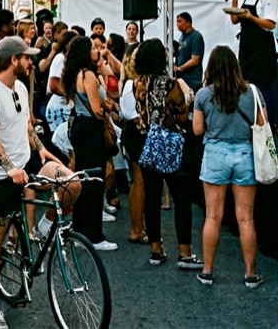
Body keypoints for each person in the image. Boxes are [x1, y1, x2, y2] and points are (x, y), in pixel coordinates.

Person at [0, 37, 75, 329]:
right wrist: (9, 169)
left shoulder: (19, 86)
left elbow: (26, 124)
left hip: (27, 160)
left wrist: (41, 148)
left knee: (71, 183)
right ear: (12, 60)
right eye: (26, 57)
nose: (32, 62)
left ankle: (42, 229)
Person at [193, 46, 262, 287]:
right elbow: (261, 123)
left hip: (215, 153)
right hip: (244, 153)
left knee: (213, 216)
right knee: (246, 218)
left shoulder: (203, 95)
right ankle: (250, 273)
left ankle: (207, 271)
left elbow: (197, 130)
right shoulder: (252, 92)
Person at [132, 39, 202, 269]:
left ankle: (156, 249)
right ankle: (185, 253)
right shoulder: (170, 84)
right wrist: (186, 104)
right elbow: (182, 115)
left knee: (152, 198)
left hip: (148, 143)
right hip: (170, 143)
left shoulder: (139, 84)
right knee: (182, 199)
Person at [61, 36, 119, 252]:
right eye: (94, 49)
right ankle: (94, 235)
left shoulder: (76, 74)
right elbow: (96, 110)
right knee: (95, 181)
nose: (98, 51)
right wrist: (108, 107)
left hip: (79, 127)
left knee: (83, 179)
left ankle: (80, 228)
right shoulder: (89, 76)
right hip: (91, 130)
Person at [230, 0, 278, 100]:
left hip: (262, 51)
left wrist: (250, 17)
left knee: (262, 90)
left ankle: (266, 120)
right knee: (246, 87)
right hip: (246, 48)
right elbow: (234, 20)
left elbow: (270, 24)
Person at [118, 46, 148, 244]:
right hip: (136, 134)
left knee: (139, 182)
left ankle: (139, 227)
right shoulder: (132, 84)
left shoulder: (130, 83)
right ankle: (137, 229)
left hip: (133, 134)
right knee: (139, 181)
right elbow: (132, 115)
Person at [44, 30, 79, 131]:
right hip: (59, 107)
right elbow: (54, 85)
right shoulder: (60, 58)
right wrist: (69, 95)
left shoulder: (68, 60)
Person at [175, 12, 205, 92]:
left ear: (188, 23)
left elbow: (195, 60)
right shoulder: (182, 37)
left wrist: (180, 68)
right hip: (182, 79)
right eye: (176, 22)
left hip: (193, 81)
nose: (177, 24)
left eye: (179, 21)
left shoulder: (196, 37)